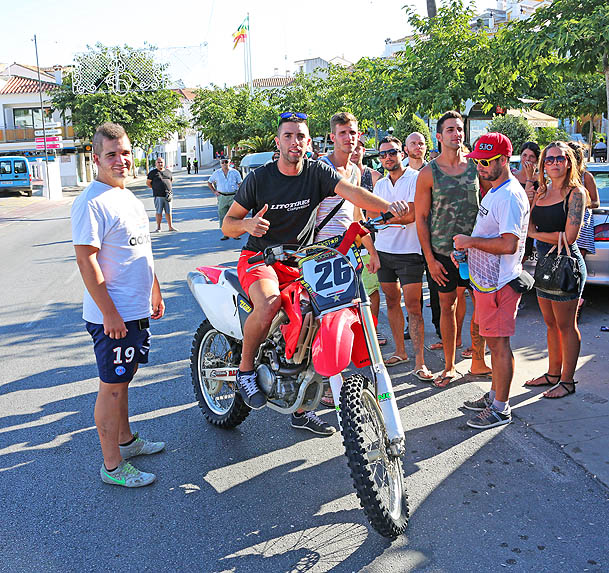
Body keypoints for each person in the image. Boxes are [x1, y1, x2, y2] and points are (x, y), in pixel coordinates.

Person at [221, 112, 407, 422]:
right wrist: (247, 224)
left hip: (302, 261)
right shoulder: (259, 179)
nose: (295, 142)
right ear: (278, 141)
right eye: (289, 136)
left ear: (309, 142)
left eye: (301, 137)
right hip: (260, 259)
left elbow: (354, 193)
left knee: (319, 316)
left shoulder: (317, 172)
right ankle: (245, 371)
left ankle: (302, 401)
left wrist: (390, 207)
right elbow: (227, 225)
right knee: (268, 306)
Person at [71, 122, 165, 488]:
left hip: (134, 309)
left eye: (125, 152)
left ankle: (126, 442)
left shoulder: (128, 196)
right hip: (114, 316)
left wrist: (154, 288)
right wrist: (110, 312)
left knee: (124, 380)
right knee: (111, 386)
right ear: (96, 159)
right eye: (111, 154)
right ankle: (112, 466)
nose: (121, 160)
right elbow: (86, 261)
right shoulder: (91, 202)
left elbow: (141, 248)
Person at [453, 133, 530, 429]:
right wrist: (468, 249)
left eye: (486, 162)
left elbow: (509, 244)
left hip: (501, 284)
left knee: (498, 347)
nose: (480, 168)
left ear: (502, 161)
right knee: (495, 345)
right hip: (488, 282)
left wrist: (469, 241)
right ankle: (495, 395)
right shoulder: (497, 189)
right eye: (477, 162)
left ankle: (500, 408)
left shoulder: (509, 194)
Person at [414, 111, 491, 388]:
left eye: (459, 129)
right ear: (439, 136)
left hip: (478, 251)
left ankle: (478, 360)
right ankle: (449, 366)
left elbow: (492, 199)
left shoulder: (476, 168)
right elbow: (421, 219)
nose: (456, 134)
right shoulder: (427, 173)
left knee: (482, 308)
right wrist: (430, 260)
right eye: (450, 130)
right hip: (443, 254)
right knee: (448, 307)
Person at [313, 113, 382, 413]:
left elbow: (356, 217)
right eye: (342, 132)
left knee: (355, 314)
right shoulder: (320, 168)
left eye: (353, 132)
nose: (348, 137)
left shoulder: (354, 171)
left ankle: (365, 384)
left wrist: (371, 251)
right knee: (320, 322)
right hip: (318, 255)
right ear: (332, 136)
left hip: (347, 253)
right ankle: (319, 391)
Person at [524, 141, 588, 398]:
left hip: (566, 266)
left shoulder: (576, 193)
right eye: (548, 160)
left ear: (569, 162)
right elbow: (529, 223)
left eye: (559, 159)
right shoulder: (542, 191)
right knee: (550, 323)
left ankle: (567, 381)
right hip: (544, 263)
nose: (553, 163)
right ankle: (552, 373)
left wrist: (534, 233)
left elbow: (570, 237)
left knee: (566, 325)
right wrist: (531, 197)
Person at [368, 134, 433, 381]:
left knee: (414, 307)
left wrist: (384, 214)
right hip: (384, 251)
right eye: (382, 154)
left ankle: (420, 362)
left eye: (392, 152)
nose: (387, 157)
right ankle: (400, 352)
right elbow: (370, 215)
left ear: (402, 153)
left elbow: (412, 215)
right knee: (391, 302)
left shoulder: (416, 179)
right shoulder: (380, 185)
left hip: (410, 253)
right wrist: (392, 212)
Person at [350, 133, 383, 337]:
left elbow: (378, 209)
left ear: (364, 150)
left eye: (359, 147)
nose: (355, 151)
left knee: (371, 289)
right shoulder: (340, 174)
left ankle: (373, 330)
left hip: (368, 237)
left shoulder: (375, 177)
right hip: (344, 241)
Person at [208, 159, 242, 240]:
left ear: (229, 163)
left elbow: (240, 183)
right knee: (222, 216)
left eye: (226, 162)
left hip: (233, 196)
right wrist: (214, 191)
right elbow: (209, 182)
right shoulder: (216, 173)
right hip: (222, 196)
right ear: (220, 164)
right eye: (222, 162)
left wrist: (241, 194)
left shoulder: (235, 172)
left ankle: (235, 234)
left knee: (235, 216)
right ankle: (225, 234)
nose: (224, 164)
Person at [147, 157, 178, 232]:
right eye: (158, 162)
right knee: (159, 212)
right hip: (158, 196)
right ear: (156, 164)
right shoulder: (152, 173)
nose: (160, 164)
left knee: (169, 212)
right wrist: (155, 188)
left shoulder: (168, 172)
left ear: (164, 163)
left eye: (161, 162)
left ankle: (170, 227)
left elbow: (171, 181)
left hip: (168, 196)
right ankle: (158, 227)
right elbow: (148, 183)